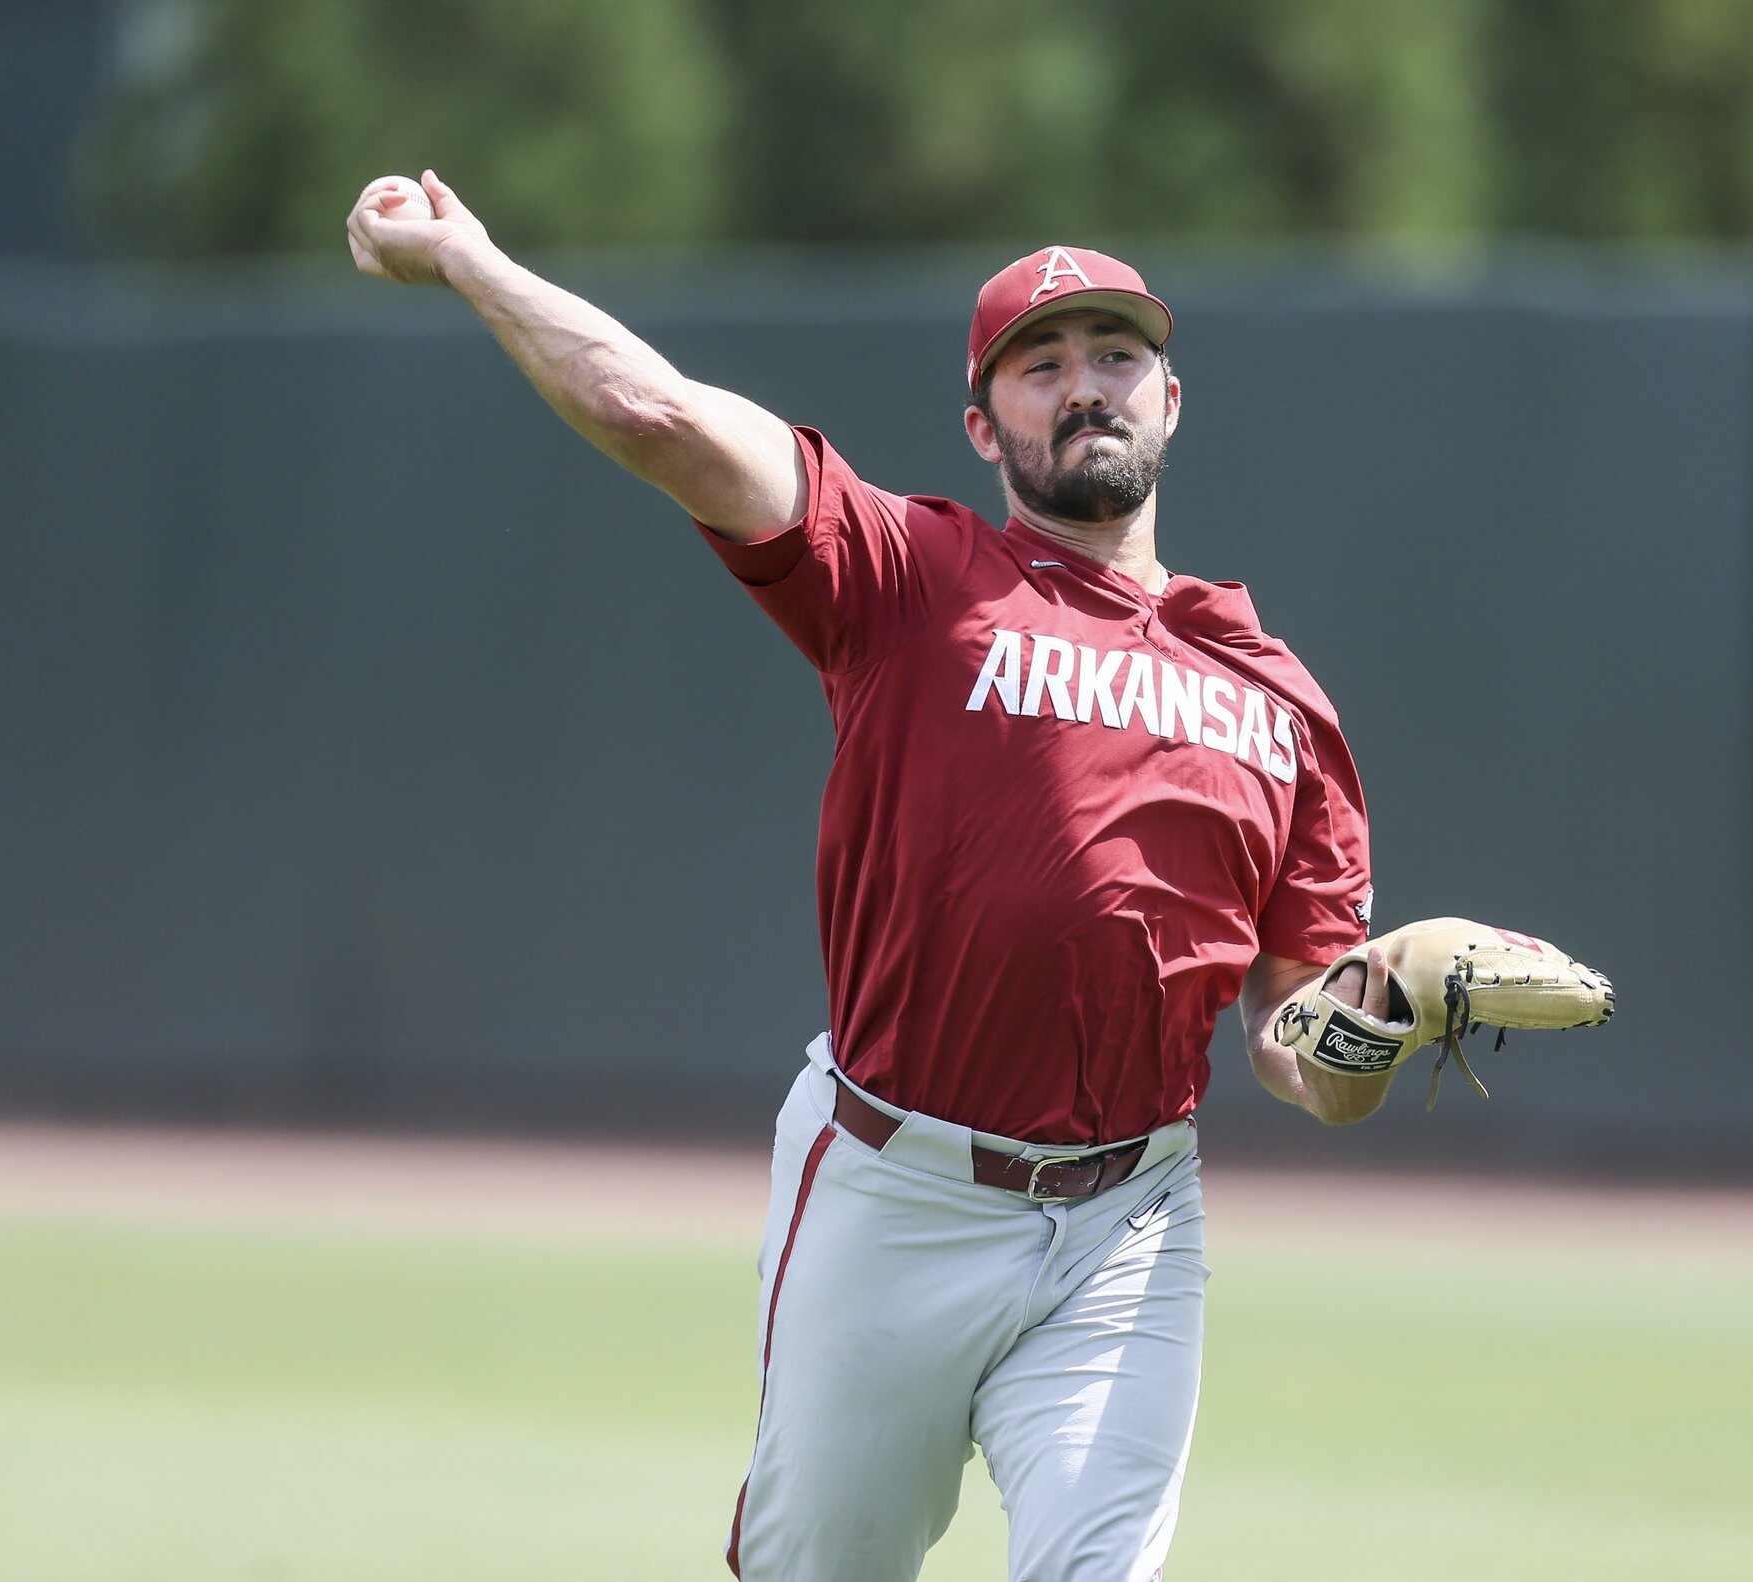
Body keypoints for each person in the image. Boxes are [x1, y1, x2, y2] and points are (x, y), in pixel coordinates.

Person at [349, 171, 1412, 1582]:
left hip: (1129, 1221)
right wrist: (475, 261)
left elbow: (1302, 1055)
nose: (1083, 385)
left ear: (1170, 399)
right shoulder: (910, 574)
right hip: (896, 1194)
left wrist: (1376, 1020)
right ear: (984, 425)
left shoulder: (1281, 702)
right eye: (1040, 365)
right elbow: (656, 414)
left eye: (1115, 356)